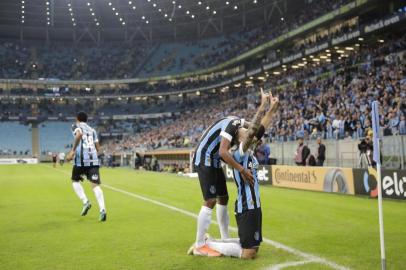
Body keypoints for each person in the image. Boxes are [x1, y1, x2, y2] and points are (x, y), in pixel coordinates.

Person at [188, 92, 279, 259]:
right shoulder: (241, 151)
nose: (251, 134)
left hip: (218, 163)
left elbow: (259, 128)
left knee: (223, 198)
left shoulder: (244, 140)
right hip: (206, 157)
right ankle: (201, 244)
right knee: (210, 200)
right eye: (247, 133)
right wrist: (262, 106)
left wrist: (272, 108)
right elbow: (228, 147)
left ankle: (221, 239)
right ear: (239, 137)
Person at [66, 112, 107, 222]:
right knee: (95, 185)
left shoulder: (75, 126)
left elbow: (78, 135)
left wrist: (72, 151)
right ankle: (103, 210)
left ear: (77, 119)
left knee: (75, 180)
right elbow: (98, 148)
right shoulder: (93, 130)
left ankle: (85, 202)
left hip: (81, 160)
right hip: (93, 160)